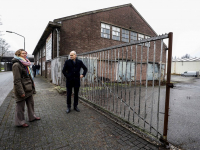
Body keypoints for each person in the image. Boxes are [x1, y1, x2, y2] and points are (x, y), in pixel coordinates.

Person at [12, 49, 40, 127]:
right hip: (22, 88)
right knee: (20, 107)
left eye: (25, 53)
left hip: (28, 87)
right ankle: (20, 122)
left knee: (31, 103)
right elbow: (17, 80)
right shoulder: (16, 65)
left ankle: (32, 117)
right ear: (18, 54)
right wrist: (21, 92)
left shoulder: (26, 63)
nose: (25, 54)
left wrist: (32, 86)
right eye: (22, 53)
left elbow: (29, 76)